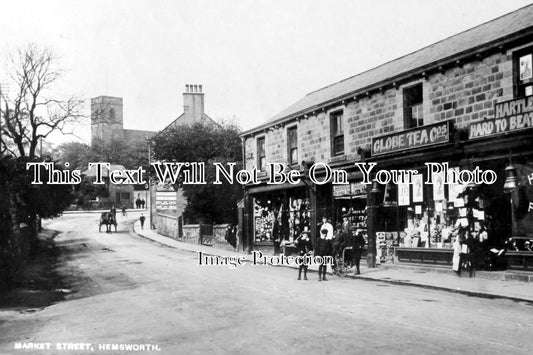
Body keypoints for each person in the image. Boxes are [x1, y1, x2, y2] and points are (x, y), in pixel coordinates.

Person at [316, 216, 333, 281]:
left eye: (325, 234)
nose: (324, 235)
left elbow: (329, 248)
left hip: (325, 254)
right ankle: (319, 276)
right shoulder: (319, 240)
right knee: (320, 265)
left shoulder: (328, 240)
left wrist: (329, 254)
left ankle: (324, 276)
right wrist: (317, 255)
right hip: (320, 254)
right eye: (323, 234)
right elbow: (317, 248)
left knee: (325, 265)